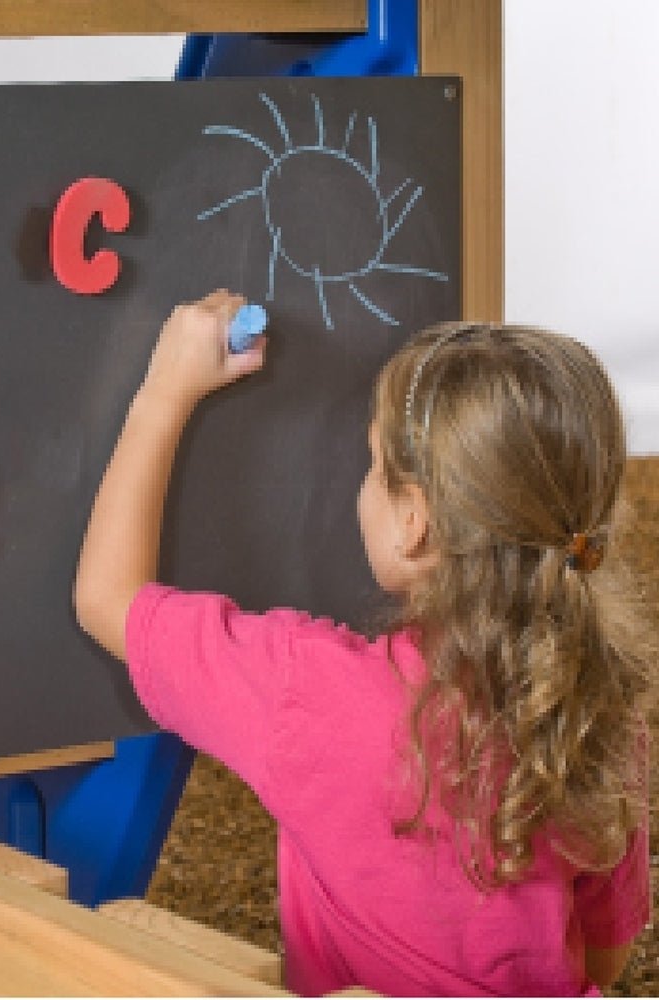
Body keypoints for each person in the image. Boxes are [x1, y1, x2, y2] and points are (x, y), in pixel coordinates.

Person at [72, 289, 654, 996]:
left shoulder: (306, 692)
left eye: (376, 465)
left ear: (414, 522)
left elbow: (106, 599)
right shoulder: (599, 704)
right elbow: (605, 953)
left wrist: (163, 394)